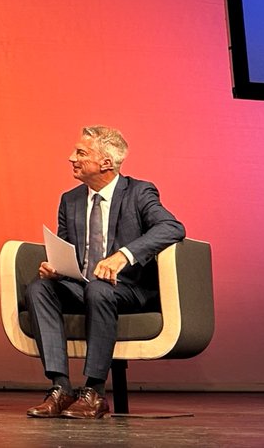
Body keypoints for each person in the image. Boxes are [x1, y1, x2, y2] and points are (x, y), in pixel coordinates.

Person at [24, 126, 185, 420]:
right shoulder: (70, 199)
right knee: (39, 287)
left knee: (99, 289)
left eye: (81, 153)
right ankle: (60, 388)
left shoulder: (138, 192)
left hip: (128, 288)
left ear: (106, 163)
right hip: (82, 285)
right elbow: (66, 247)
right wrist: (56, 268)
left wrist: (123, 256)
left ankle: (94, 392)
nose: (71, 157)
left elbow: (172, 227)